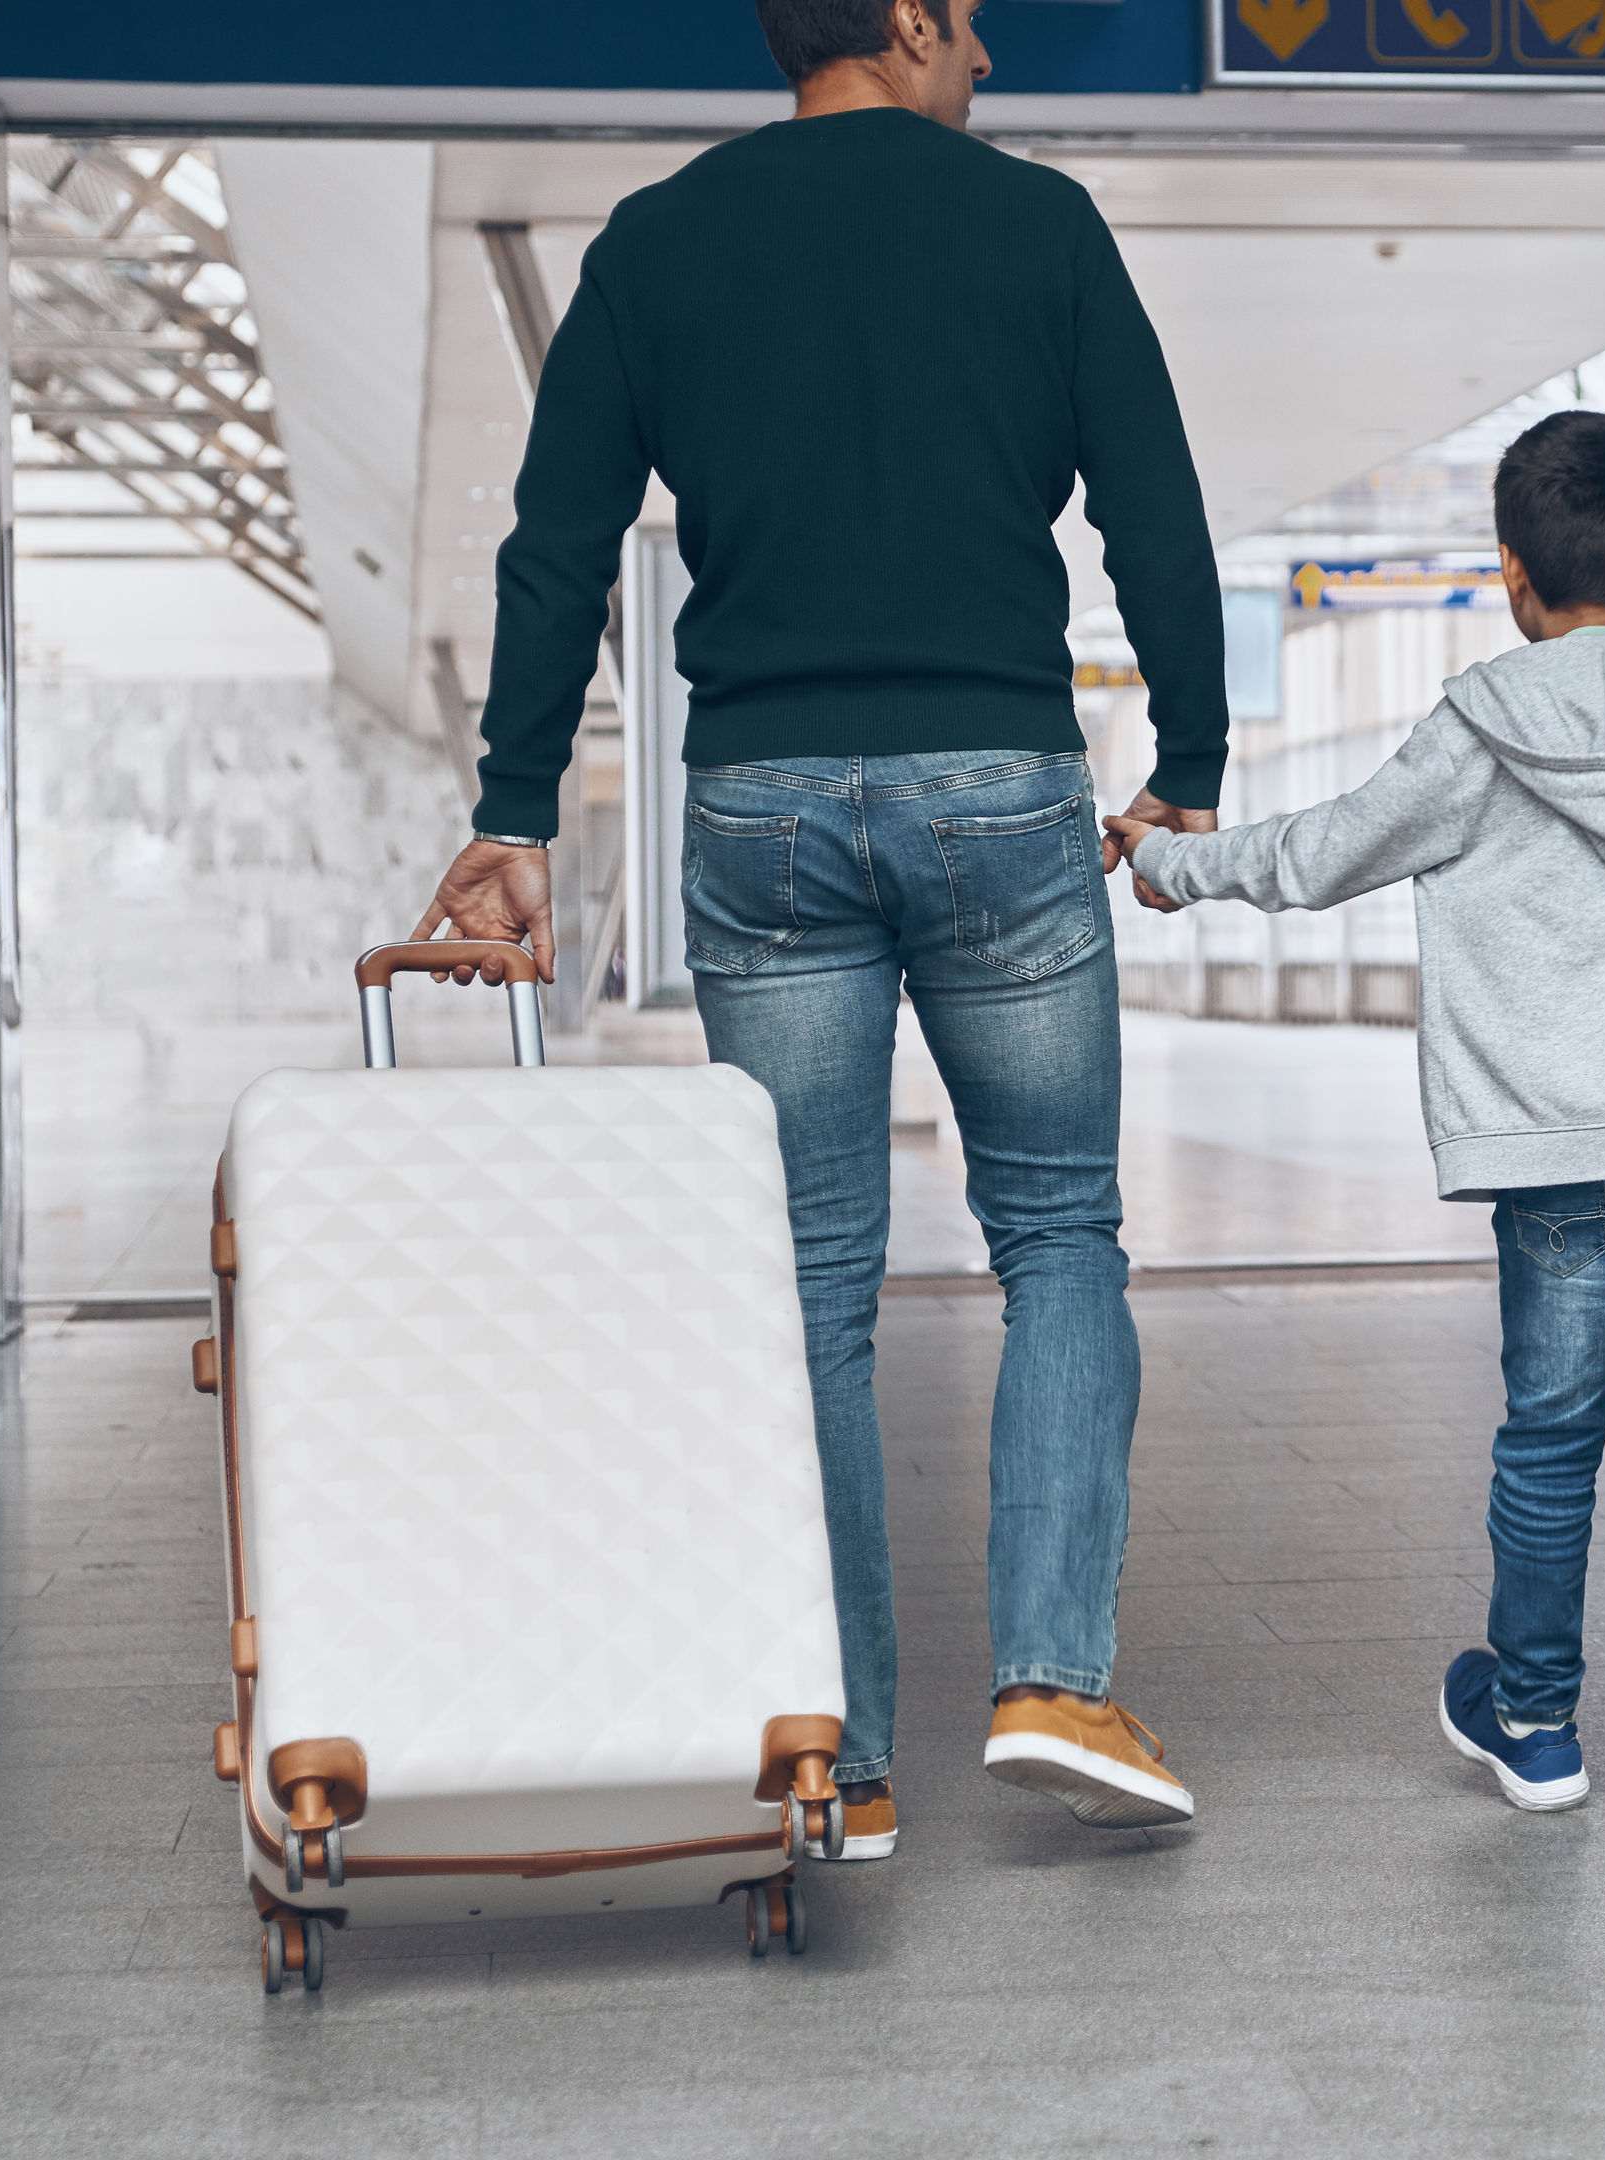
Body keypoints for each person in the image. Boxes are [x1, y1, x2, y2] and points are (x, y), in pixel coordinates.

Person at [411, 0, 1231, 1854]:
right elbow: (1151, 501)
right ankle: (1052, 1676)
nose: (992, 66)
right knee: (1059, 1233)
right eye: (977, 28)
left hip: (763, 798)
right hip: (998, 785)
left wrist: (514, 808)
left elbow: (558, 540)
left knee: (808, 1288)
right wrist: (1190, 747)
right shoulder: (1040, 228)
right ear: (914, 21)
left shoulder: (660, 240)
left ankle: (841, 1758)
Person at [1110, 413, 1605, 1878]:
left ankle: (1540, 1724)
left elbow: (1328, 851)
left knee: (1552, 1436)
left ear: (1509, 574)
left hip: (1551, 1141)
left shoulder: (1480, 724)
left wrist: (1169, 863)